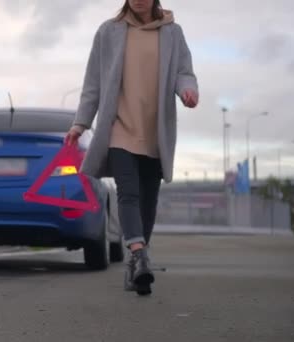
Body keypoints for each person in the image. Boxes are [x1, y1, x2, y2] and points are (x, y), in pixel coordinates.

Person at [65, 0, 199, 296]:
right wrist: (81, 123)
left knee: (148, 200)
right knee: (129, 191)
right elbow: (93, 83)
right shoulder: (109, 32)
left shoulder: (172, 32)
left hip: (154, 129)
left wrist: (188, 90)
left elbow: (183, 72)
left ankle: (136, 261)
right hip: (119, 127)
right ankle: (139, 255)